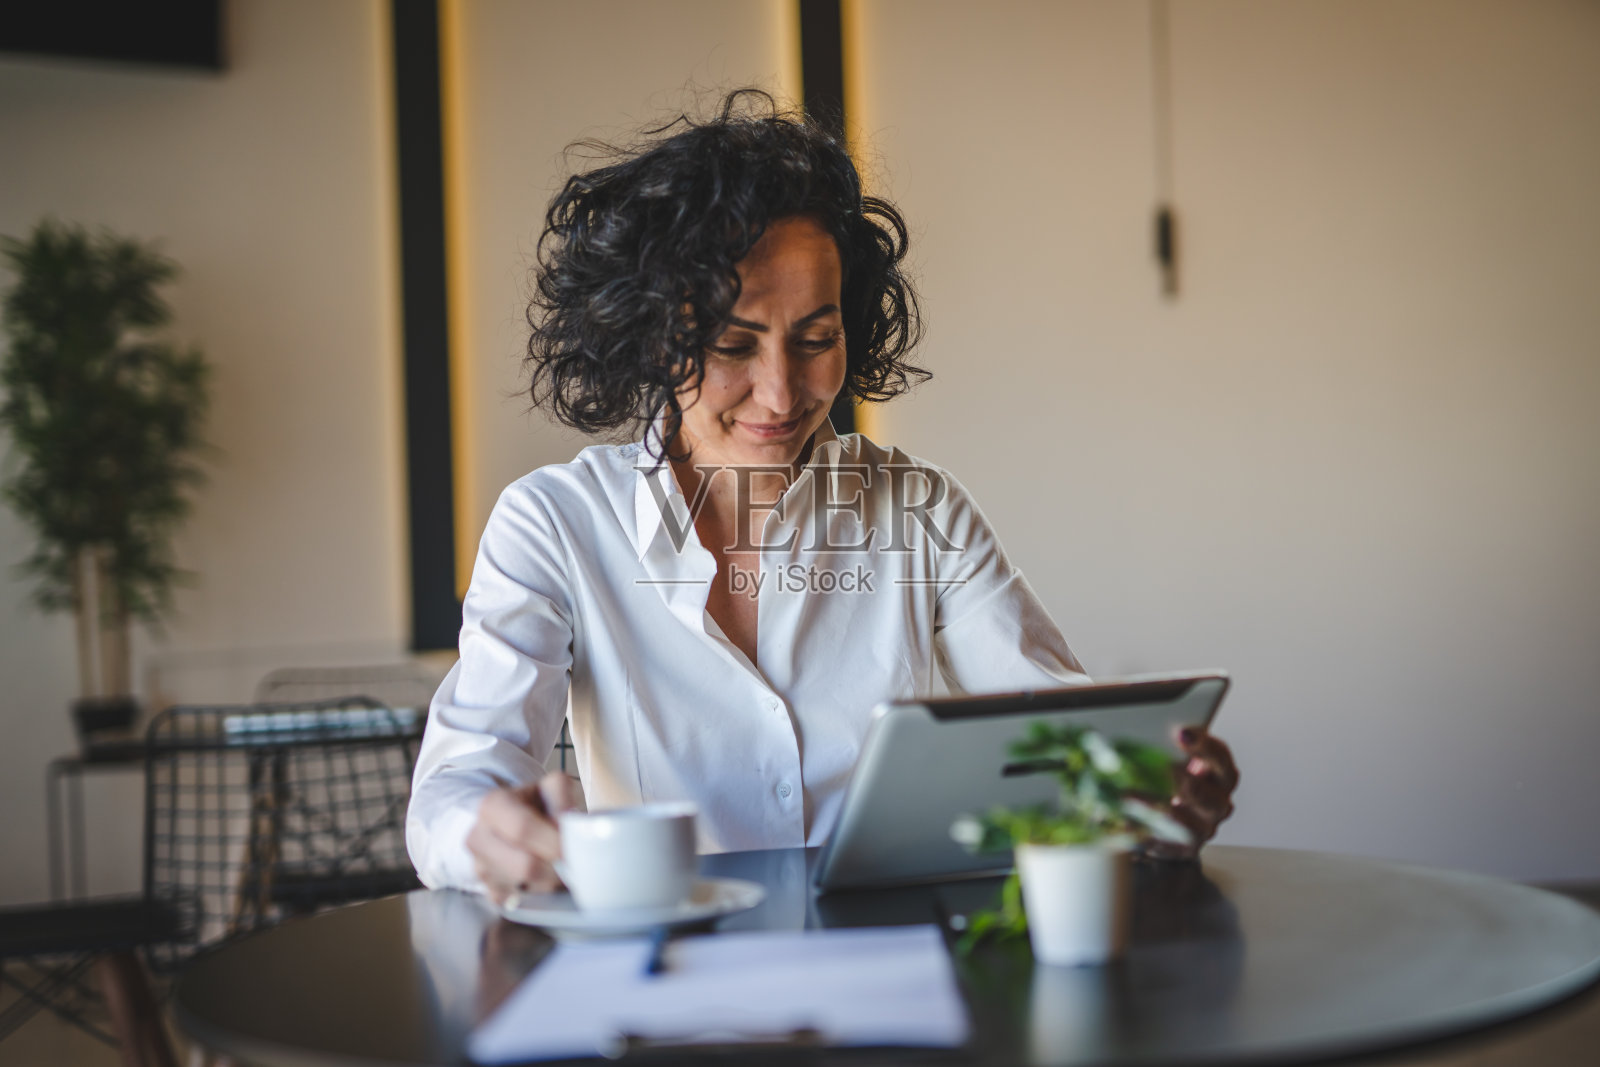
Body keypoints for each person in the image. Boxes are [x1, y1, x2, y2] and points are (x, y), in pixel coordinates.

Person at [406, 91, 1239, 902]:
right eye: (734, 344)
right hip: (674, 991)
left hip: (895, 969)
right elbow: (457, 782)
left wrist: (1145, 790)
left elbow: (1061, 731)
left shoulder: (921, 511)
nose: (780, 393)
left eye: (817, 340)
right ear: (657, 337)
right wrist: (487, 826)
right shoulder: (554, 524)